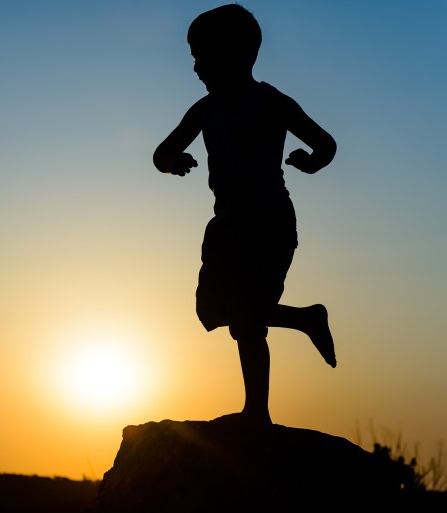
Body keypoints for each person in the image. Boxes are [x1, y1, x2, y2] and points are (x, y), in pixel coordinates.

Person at [152, 4, 337, 427]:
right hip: (226, 227)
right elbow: (162, 152)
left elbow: (325, 142)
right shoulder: (204, 110)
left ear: (236, 55)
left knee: (248, 315)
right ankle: (306, 318)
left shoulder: (271, 102)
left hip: (269, 221)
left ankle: (257, 412)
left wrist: (311, 161)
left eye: (202, 56)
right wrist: (173, 161)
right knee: (217, 312)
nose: (195, 66)